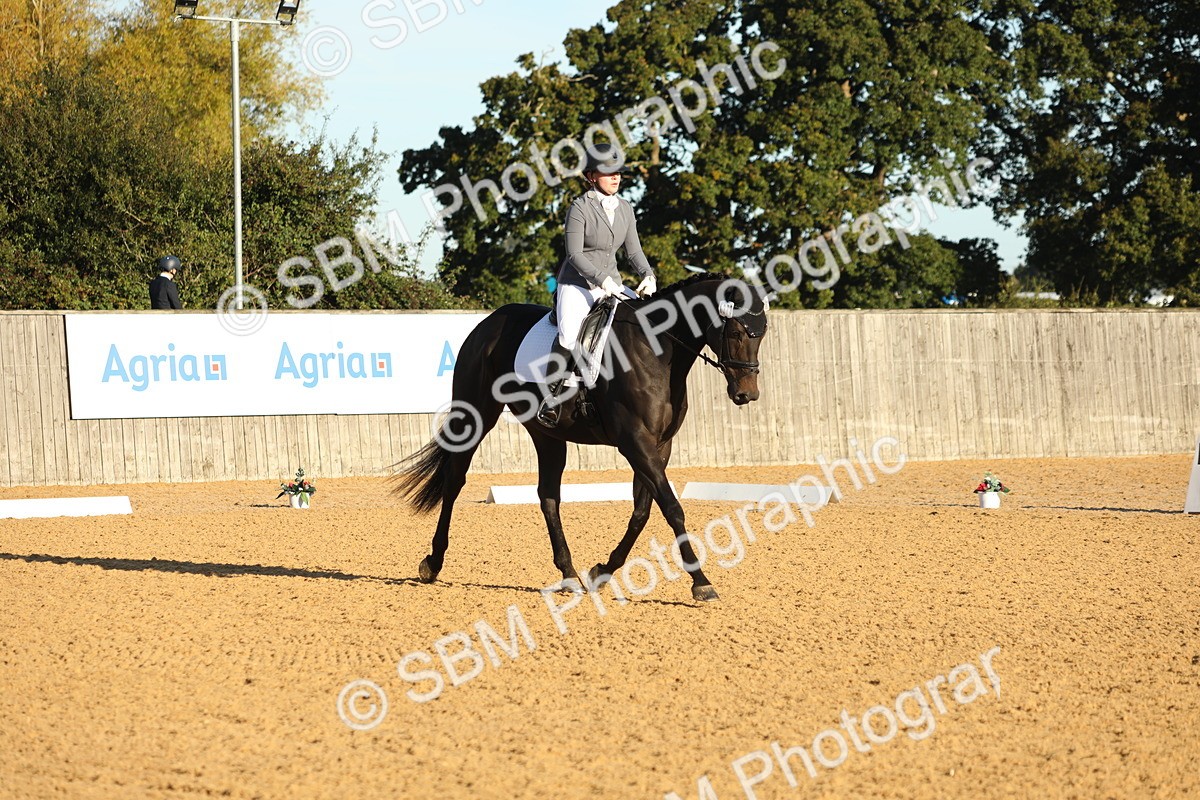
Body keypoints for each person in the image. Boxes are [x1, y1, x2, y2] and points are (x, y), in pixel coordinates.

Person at [536, 143, 657, 427]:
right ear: (591, 175)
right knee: (568, 336)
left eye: (618, 172)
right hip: (577, 283)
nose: (615, 177)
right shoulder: (580, 207)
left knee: (638, 324)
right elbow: (574, 254)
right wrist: (601, 280)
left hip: (612, 283)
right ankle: (550, 399)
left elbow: (634, 251)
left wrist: (648, 275)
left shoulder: (625, 208)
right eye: (608, 172)